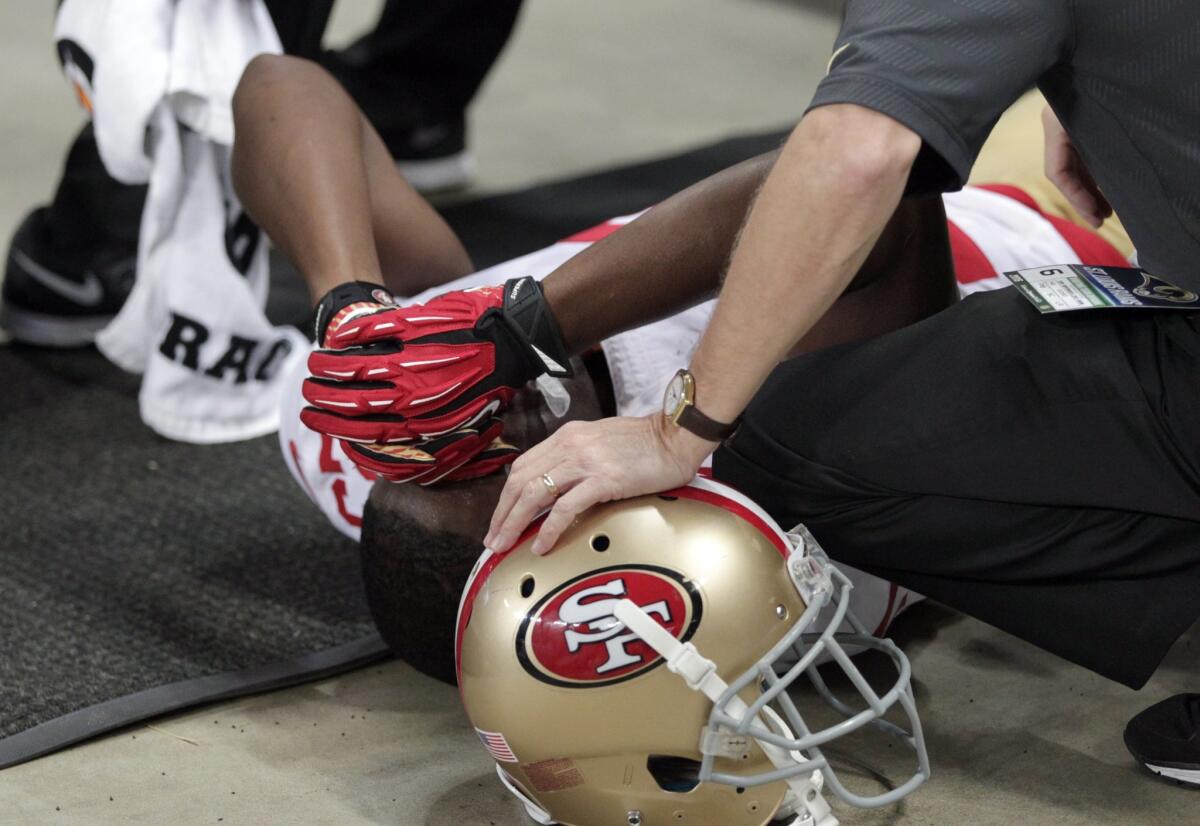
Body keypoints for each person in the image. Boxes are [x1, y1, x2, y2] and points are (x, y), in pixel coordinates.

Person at [288, 1, 1200, 786]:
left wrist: (350, 305)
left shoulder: (366, 433)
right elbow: (877, 183)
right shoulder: (771, 543)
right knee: (792, 435)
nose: (491, 418)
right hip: (1094, 246)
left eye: (447, 447)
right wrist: (546, 332)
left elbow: (283, 87)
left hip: (1116, 204)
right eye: (518, 467)